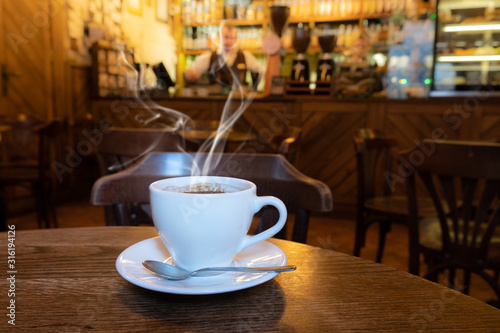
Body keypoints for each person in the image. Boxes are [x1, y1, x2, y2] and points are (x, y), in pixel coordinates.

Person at [184, 21, 264, 88]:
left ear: (236, 39)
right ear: (219, 37)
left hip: (239, 100)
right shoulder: (209, 56)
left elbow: (261, 71)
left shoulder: (245, 56)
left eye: (232, 38)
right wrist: (191, 75)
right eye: (225, 37)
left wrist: (254, 89)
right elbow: (188, 73)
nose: (228, 41)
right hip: (215, 102)